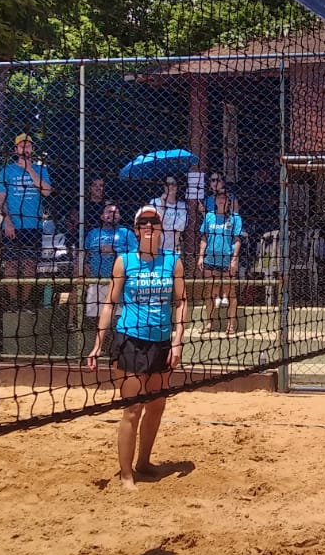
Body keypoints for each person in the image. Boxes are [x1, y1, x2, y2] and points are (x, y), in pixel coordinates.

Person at [86, 203, 186, 489]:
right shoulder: (125, 261)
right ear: (136, 229)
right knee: (133, 408)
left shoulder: (173, 261)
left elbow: (182, 302)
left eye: (154, 222)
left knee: (157, 405)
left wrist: (177, 341)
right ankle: (126, 473)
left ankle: (143, 462)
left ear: (162, 228)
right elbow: (109, 303)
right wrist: (97, 343)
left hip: (161, 341)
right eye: (144, 223)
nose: (149, 227)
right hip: (130, 339)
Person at [0, 133, 53, 306]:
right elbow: (1, 198)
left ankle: (26, 301)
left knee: (30, 264)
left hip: (33, 225)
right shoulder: (7, 171)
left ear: (32, 149)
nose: (25, 149)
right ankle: (13, 301)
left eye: (28, 146)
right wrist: (7, 221)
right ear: (16, 150)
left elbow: (47, 191)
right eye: (22, 146)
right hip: (12, 225)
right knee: (11, 264)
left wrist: (30, 170)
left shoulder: (41, 170)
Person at [197, 179, 244, 334]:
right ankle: (209, 323)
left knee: (230, 292)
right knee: (209, 292)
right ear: (215, 200)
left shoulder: (235, 218)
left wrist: (234, 259)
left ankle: (230, 325)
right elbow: (204, 237)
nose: (221, 200)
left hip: (227, 259)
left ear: (228, 201)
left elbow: (237, 240)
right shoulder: (209, 217)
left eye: (224, 197)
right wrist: (201, 256)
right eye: (218, 197)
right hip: (210, 259)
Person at [79, 201, 133, 324]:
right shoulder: (93, 233)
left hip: (119, 281)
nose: (113, 215)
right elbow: (85, 254)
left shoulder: (126, 233)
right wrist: (85, 267)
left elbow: (135, 254)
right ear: (102, 216)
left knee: (118, 317)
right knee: (97, 318)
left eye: (116, 212)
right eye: (109, 212)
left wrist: (114, 249)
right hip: (96, 280)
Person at [157, 174, 190, 255]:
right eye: (168, 184)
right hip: (157, 247)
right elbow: (156, 223)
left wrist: (164, 227)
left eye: (173, 184)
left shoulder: (183, 206)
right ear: (164, 186)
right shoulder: (155, 202)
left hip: (174, 249)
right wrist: (163, 206)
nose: (170, 186)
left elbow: (181, 227)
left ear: (177, 187)